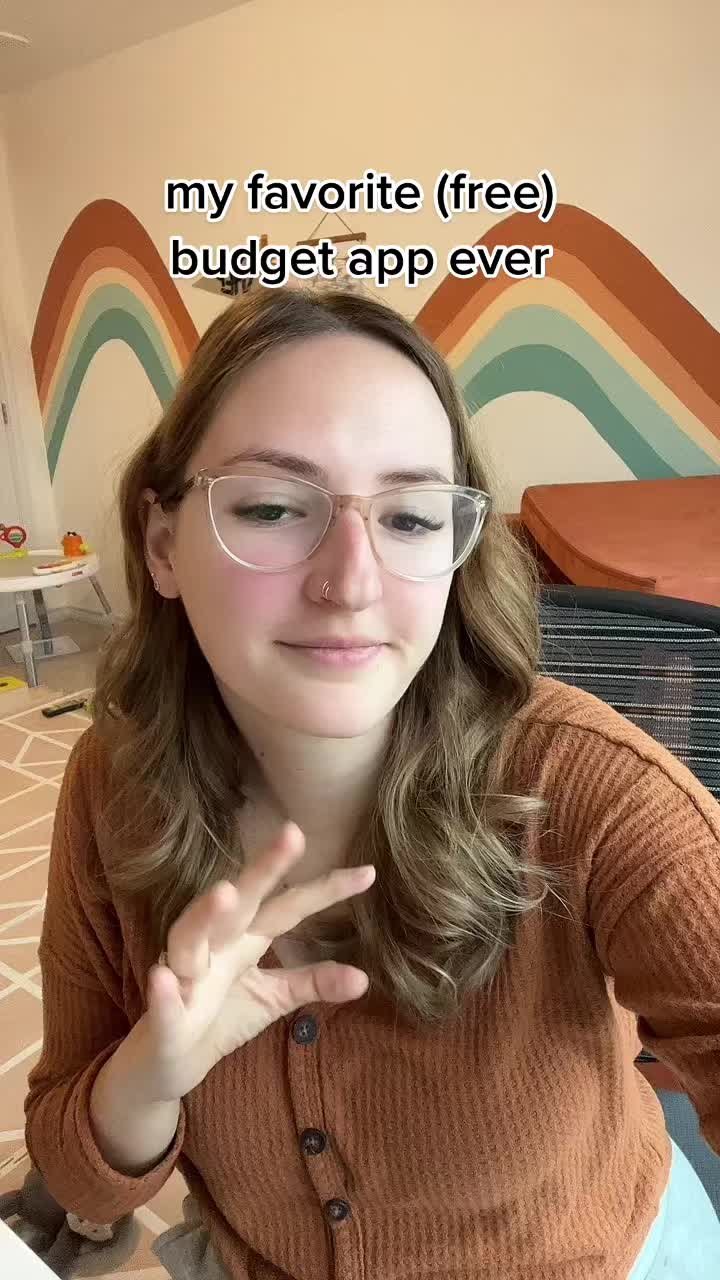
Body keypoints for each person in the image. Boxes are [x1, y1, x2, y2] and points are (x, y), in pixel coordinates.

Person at [24, 284, 720, 1280]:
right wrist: (152, 1071)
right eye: (272, 507)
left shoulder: (588, 786)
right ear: (163, 542)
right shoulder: (113, 783)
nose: (350, 581)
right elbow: (81, 1183)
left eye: (411, 516)